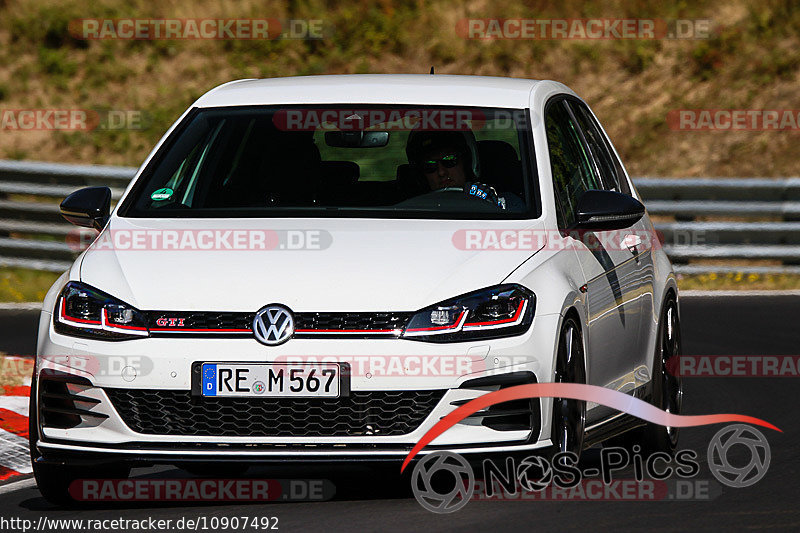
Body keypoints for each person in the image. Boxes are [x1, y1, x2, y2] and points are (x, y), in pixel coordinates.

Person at [405, 130, 524, 210]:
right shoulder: (409, 211)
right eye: (430, 166)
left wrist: (491, 206)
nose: (441, 172)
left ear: (467, 162)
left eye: (450, 161)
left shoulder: (505, 203)